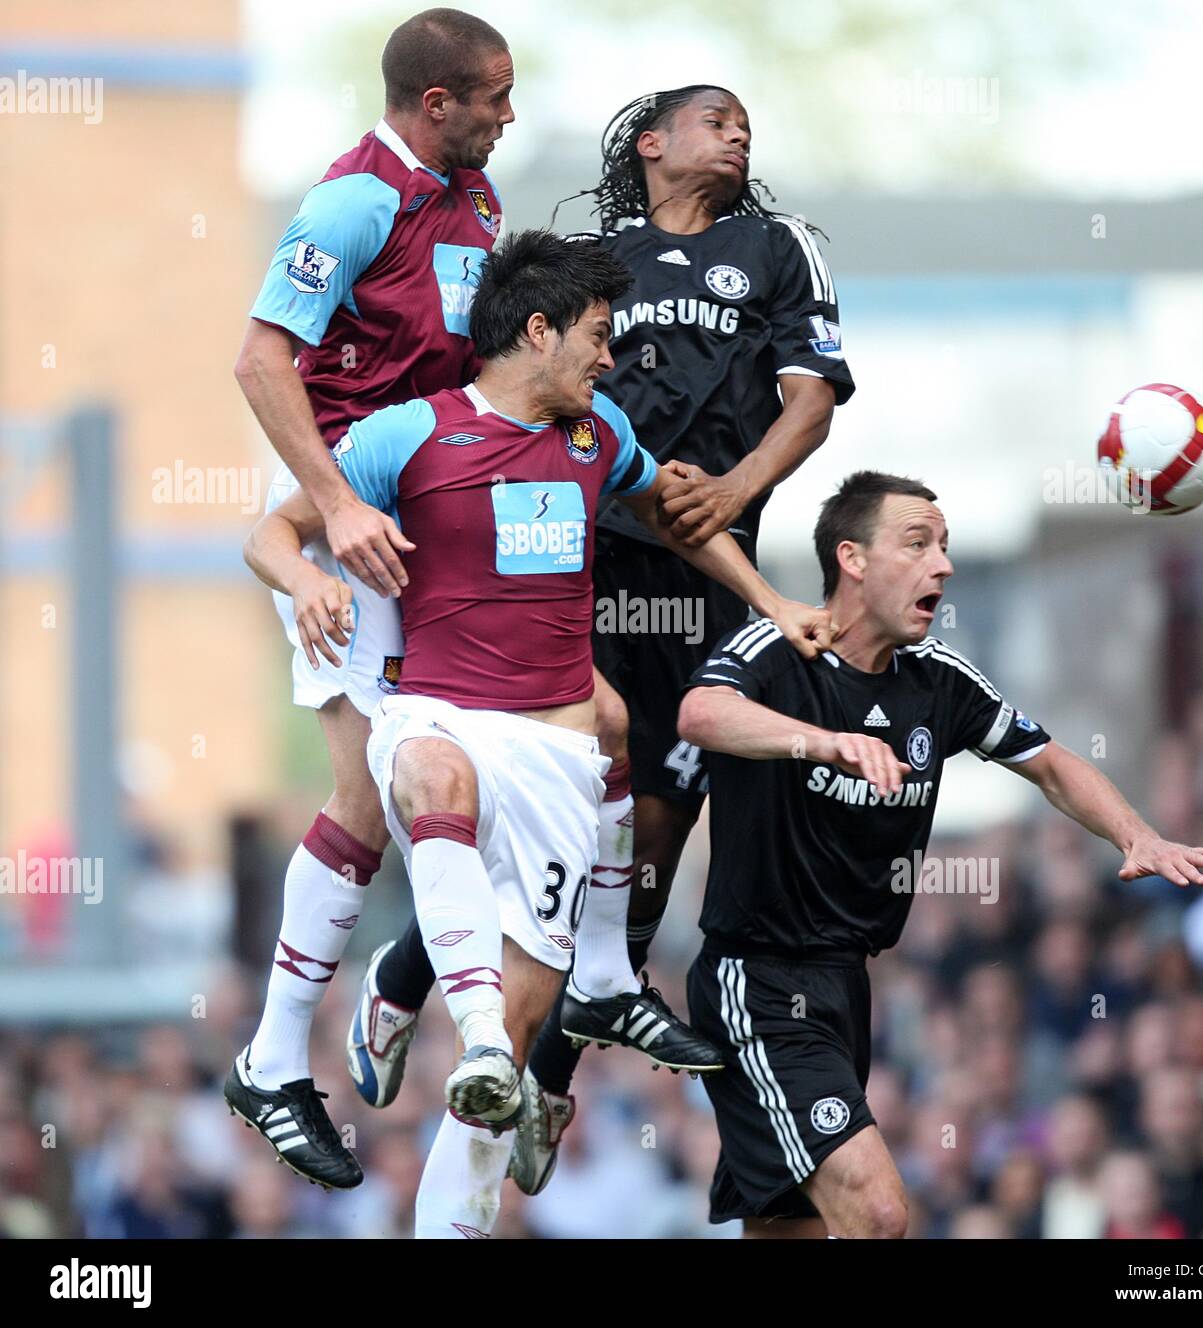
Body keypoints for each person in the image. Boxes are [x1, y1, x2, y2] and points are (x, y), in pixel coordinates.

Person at [233, 230, 833, 1238]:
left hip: (556, 755)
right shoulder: (407, 435)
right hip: (438, 712)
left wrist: (774, 601)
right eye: (600, 336)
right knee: (426, 777)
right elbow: (272, 534)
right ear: (539, 330)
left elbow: (684, 519)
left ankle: (475, 1095)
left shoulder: (600, 433)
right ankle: (459, 1030)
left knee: (506, 1068)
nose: (613, 358)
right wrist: (305, 584)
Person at [357, 85, 856, 1183]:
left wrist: (733, 492)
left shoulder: (778, 247)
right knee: (539, 816)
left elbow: (813, 394)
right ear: (650, 141)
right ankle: (406, 978)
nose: (739, 129)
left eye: (745, 117)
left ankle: (545, 1077)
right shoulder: (584, 260)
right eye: (714, 116)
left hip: (705, 564)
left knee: (650, 844)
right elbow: (498, 394)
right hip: (574, 562)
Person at [671, 470, 1203, 1237]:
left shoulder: (939, 684)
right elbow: (700, 713)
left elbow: (1053, 763)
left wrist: (1136, 834)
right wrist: (822, 743)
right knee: (880, 1213)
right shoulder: (780, 644)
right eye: (918, 543)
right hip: (756, 981)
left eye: (947, 547)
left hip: (844, 986)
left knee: (788, 1229)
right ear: (852, 559)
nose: (944, 566)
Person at [226, 8, 515, 1190]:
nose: (510, 113)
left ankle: (391, 987)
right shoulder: (353, 199)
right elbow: (258, 357)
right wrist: (334, 508)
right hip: (370, 536)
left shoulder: (483, 205)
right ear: (435, 102)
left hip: (450, 527)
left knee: (491, 776)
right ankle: (272, 1055)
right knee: (367, 793)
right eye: (494, 94)